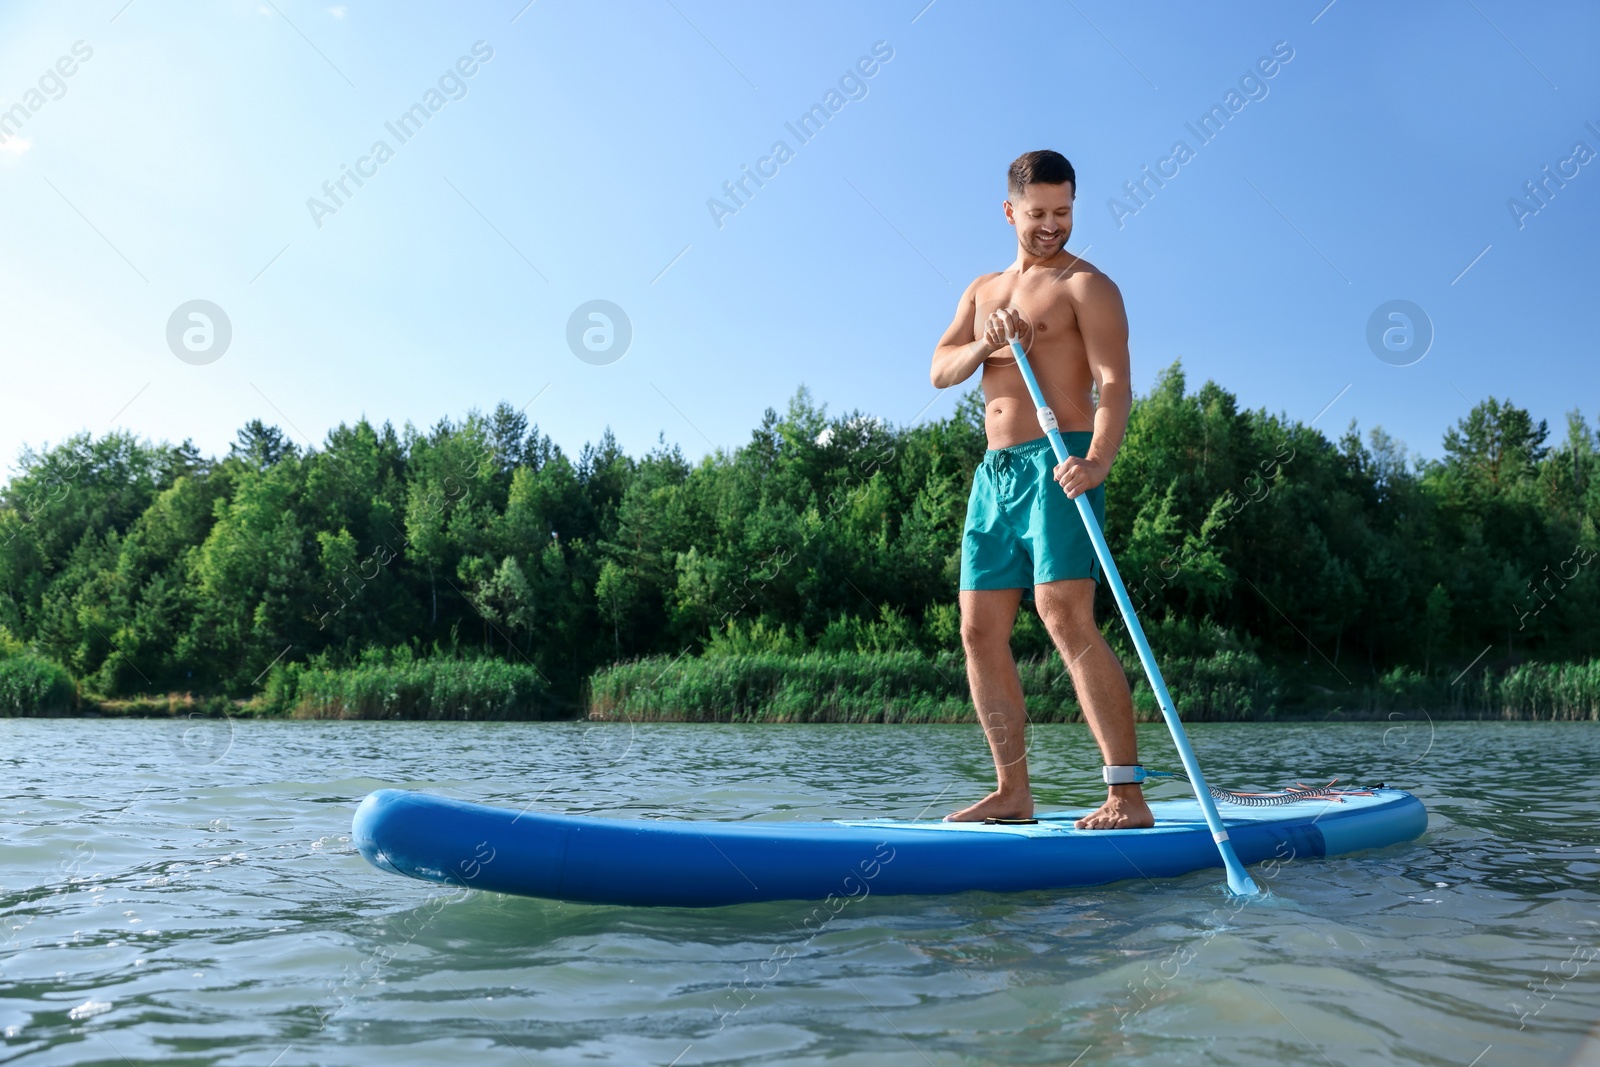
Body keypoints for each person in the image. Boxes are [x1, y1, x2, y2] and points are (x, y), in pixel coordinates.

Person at [928, 149, 1153, 830]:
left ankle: (1126, 794)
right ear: (1009, 211)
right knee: (977, 629)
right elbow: (940, 369)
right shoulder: (982, 290)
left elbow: (1114, 383)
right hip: (995, 474)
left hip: (1063, 460)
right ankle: (1012, 793)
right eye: (1038, 214)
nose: (1052, 225)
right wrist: (988, 345)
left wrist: (1100, 462)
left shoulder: (1089, 287)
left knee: (1065, 616)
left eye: (1063, 211)